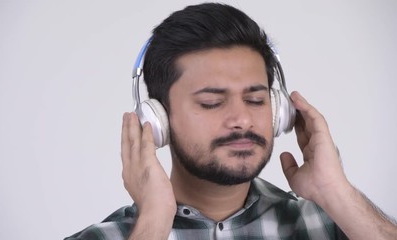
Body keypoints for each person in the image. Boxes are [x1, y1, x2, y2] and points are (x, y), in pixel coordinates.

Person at [66, 3, 396, 239]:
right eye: (211, 102)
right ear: (158, 119)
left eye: (256, 100)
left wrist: (334, 191)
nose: (242, 119)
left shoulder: (335, 226)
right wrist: (153, 221)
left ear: (279, 111)